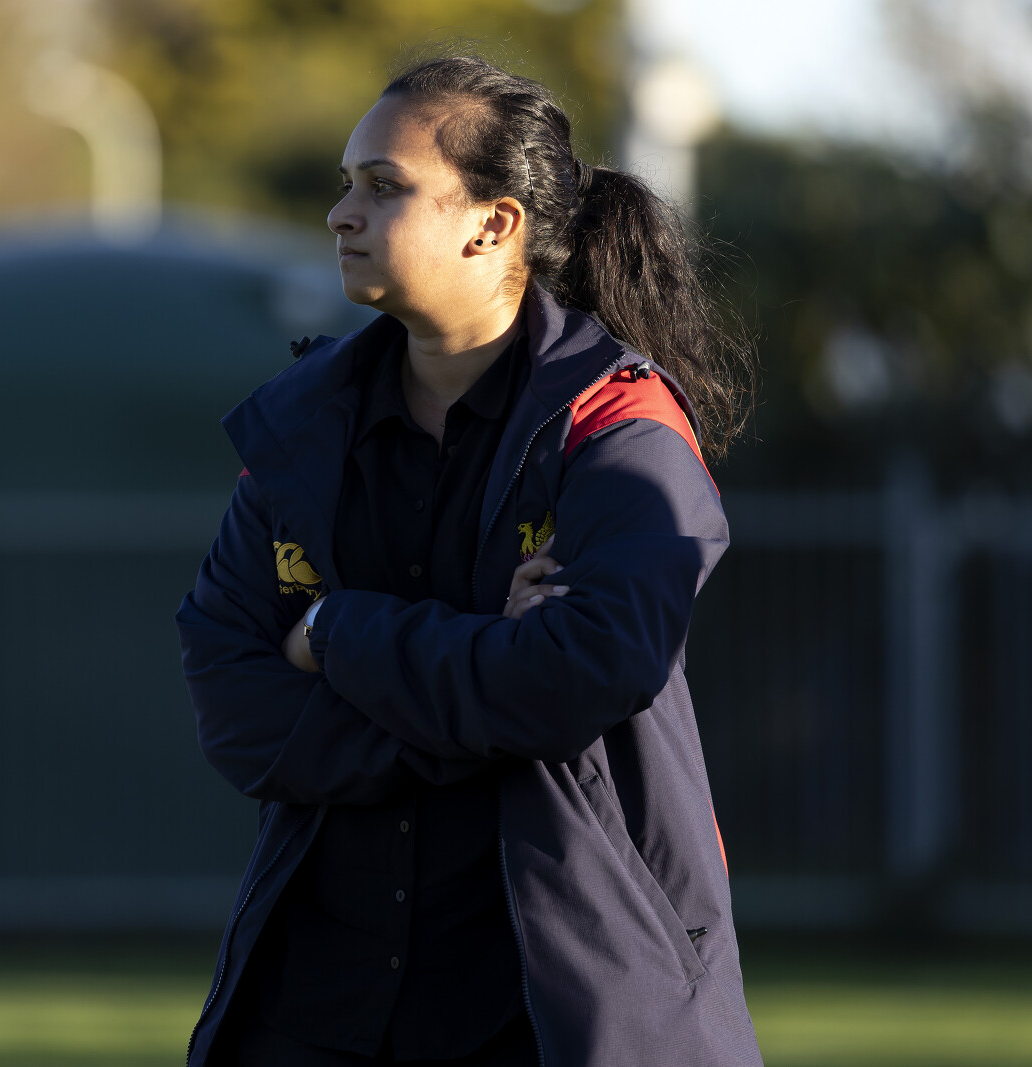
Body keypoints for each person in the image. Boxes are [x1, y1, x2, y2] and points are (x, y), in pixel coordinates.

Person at [176, 53, 761, 1067]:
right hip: (313, 1016)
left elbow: (583, 672)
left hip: (557, 1018)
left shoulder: (616, 421)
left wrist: (335, 631)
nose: (340, 214)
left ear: (493, 225)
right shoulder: (296, 427)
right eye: (346, 183)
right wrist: (486, 674)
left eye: (383, 186)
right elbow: (235, 705)